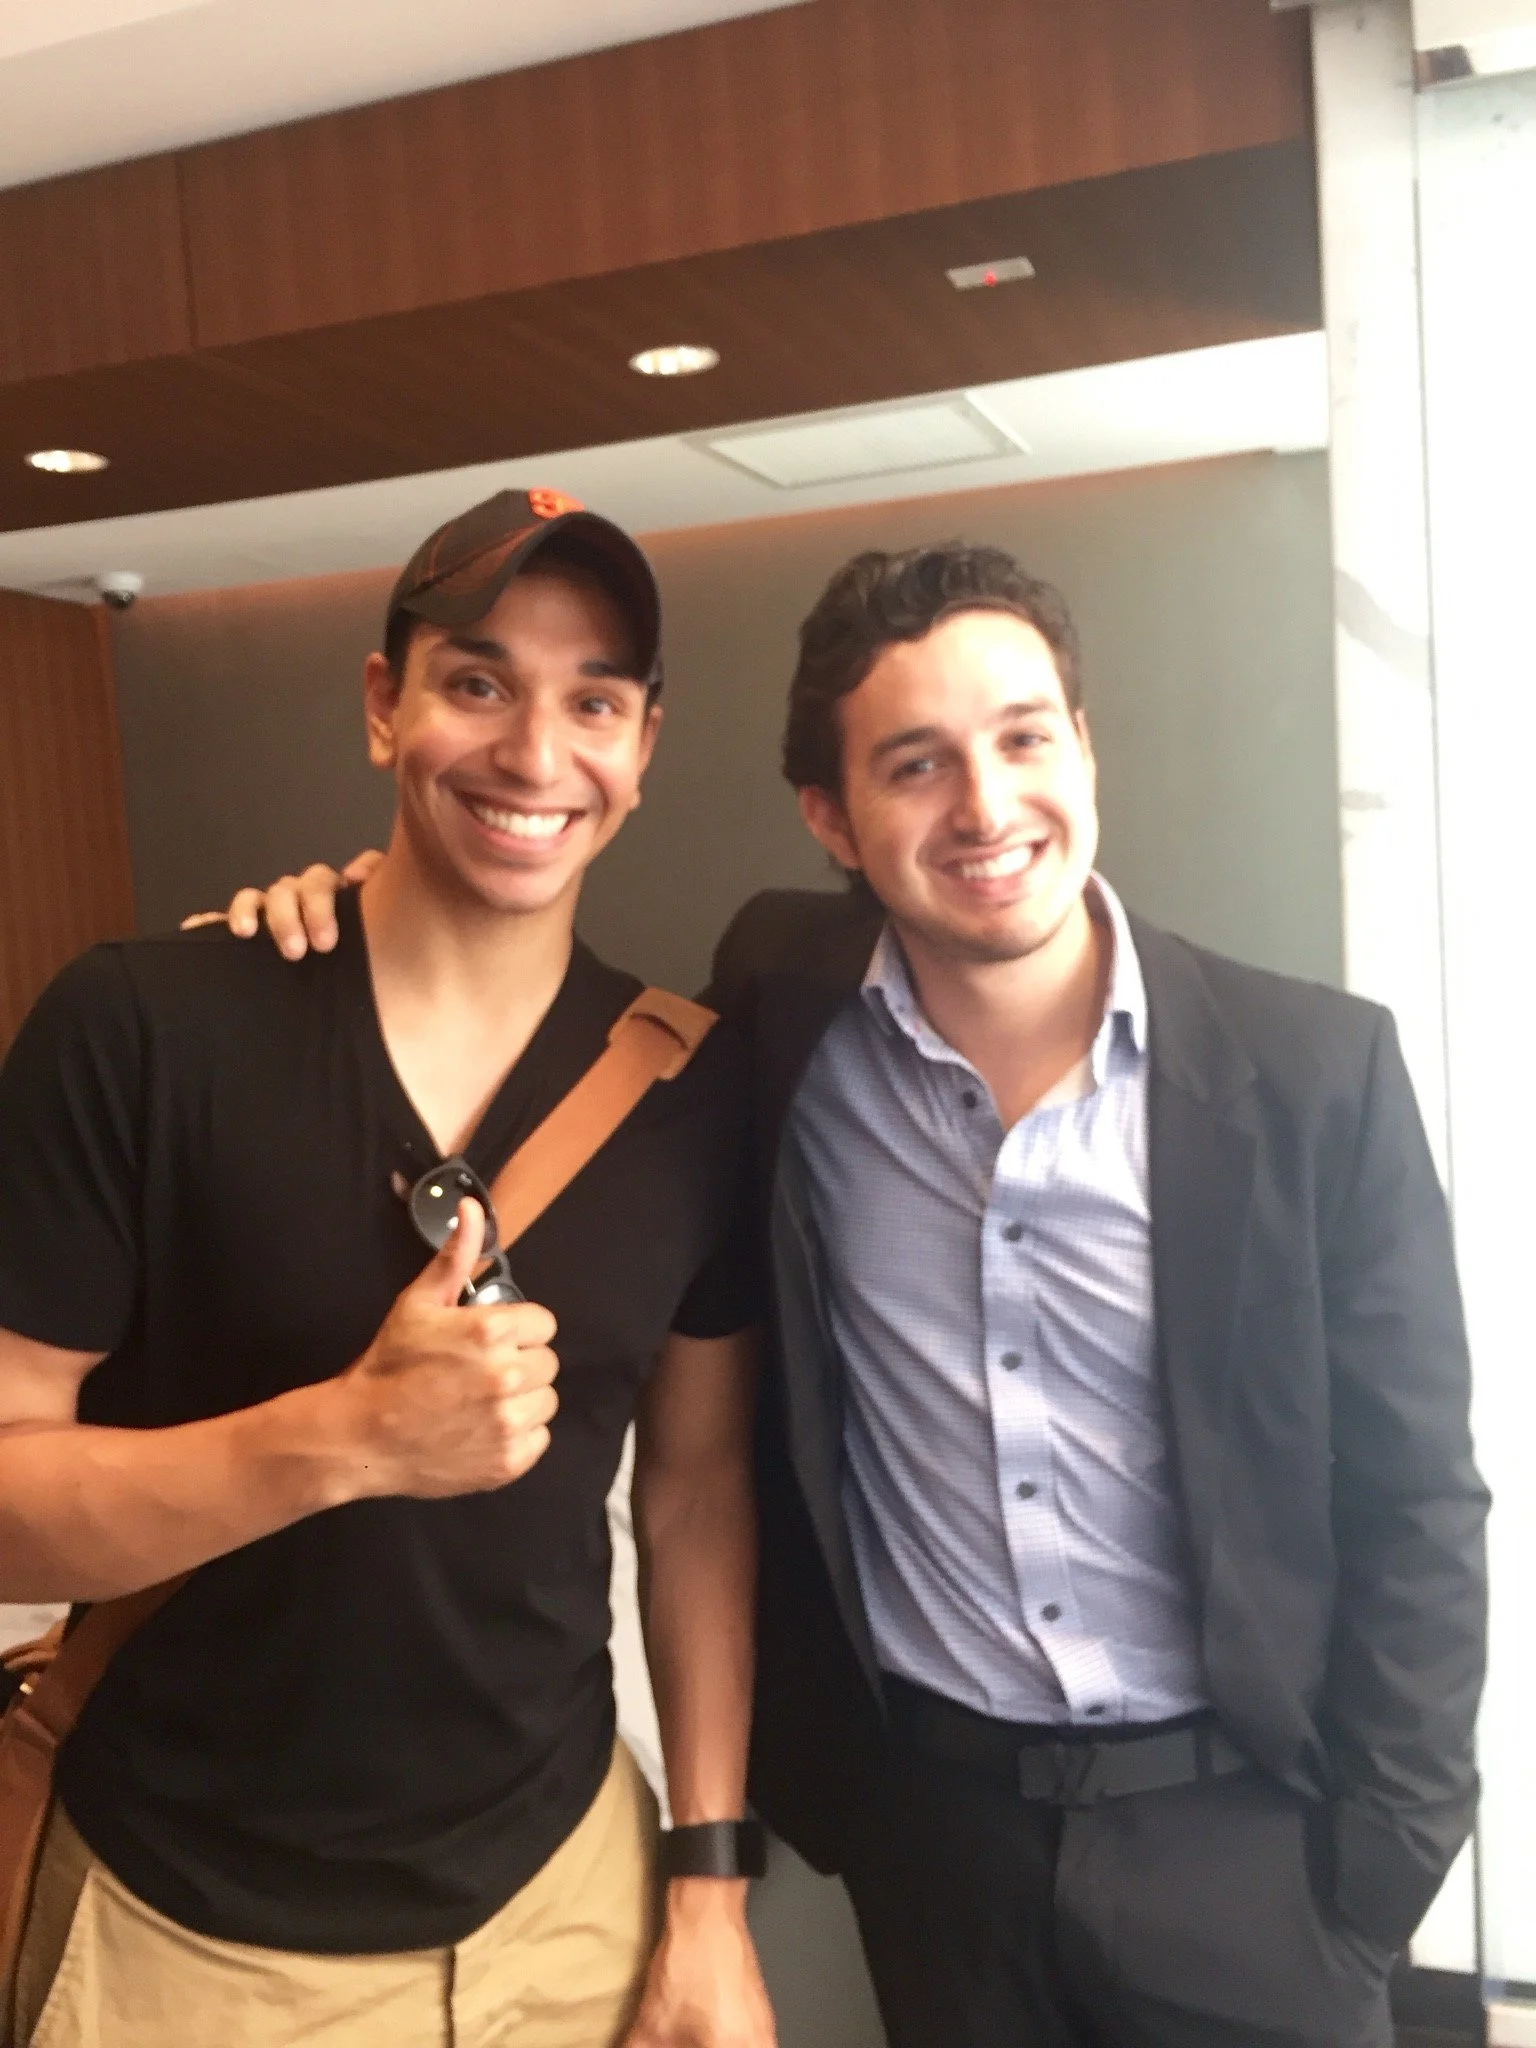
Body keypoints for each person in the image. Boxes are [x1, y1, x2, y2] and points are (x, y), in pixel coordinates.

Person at [225, 539, 1486, 2048]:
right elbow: (490, 966)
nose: (987, 805)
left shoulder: (1314, 1074)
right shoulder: (779, 1003)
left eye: (1024, 737)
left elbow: (1419, 1500)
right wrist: (338, 908)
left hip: (1248, 1848)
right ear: (832, 816)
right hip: (936, 1839)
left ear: (1082, 745)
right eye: (915, 764)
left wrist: (1374, 1876)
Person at [0, 489, 775, 2048]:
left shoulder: (694, 1097)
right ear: (383, 705)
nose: (534, 755)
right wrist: (343, 1440)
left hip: (567, 1908)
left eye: (593, 702)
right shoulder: (147, 1029)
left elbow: (695, 1496)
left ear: (643, 744)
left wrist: (706, 1890)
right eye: (478, 682)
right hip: (186, 1936)